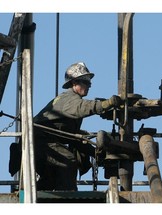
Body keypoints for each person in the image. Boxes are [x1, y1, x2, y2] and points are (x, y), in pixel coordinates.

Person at [33, 62, 122, 191]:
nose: (89, 86)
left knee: (51, 176)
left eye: (89, 83)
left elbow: (73, 137)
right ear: (74, 82)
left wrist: (96, 153)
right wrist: (105, 104)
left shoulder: (70, 100)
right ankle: (68, 198)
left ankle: (42, 192)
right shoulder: (69, 99)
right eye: (85, 82)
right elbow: (83, 107)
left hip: (45, 141)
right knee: (68, 160)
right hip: (40, 141)